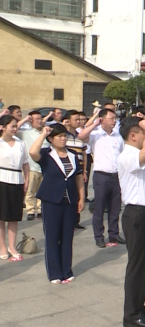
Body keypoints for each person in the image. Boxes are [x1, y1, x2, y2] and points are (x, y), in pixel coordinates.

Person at [117, 116, 145, 327]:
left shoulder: (137, 157)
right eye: (143, 133)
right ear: (133, 136)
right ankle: (131, 314)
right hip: (137, 215)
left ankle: (139, 305)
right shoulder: (128, 155)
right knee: (137, 266)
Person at [29, 124, 85, 283]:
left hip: (69, 201)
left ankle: (67, 270)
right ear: (51, 139)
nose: (62, 139)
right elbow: (32, 152)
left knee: (68, 236)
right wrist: (43, 134)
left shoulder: (73, 155)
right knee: (52, 237)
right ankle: (54, 273)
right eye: (59, 136)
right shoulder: (47, 154)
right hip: (52, 201)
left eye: (64, 136)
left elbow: (78, 178)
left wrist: (81, 197)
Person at [79, 109, 124, 248]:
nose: (114, 121)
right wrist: (95, 123)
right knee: (99, 207)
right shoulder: (95, 135)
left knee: (115, 207)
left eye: (115, 118)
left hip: (116, 176)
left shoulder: (118, 137)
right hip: (101, 176)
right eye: (111, 118)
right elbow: (81, 136)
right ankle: (99, 236)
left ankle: (114, 234)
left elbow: (122, 155)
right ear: (102, 120)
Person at [0, 115, 29, 261]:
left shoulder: (20, 143)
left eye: (16, 126)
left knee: (13, 217)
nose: (15, 129)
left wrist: (27, 179)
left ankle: (12, 246)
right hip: (1, 179)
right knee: (1, 217)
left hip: (17, 180)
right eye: (12, 126)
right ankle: (2, 246)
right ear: (3, 127)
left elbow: (25, 163)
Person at [18, 110, 45, 220]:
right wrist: (25, 119)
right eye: (36, 119)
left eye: (40, 118)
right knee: (30, 190)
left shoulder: (45, 132)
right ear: (31, 121)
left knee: (41, 190)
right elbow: (14, 131)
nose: (39, 121)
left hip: (43, 167)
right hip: (31, 166)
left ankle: (39, 209)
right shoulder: (26, 133)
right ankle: (30, 210)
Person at [63, 110, 88, 230]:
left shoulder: (80, 136)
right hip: (67, 170)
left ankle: (75, 220)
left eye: (79, 119)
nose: (78, 122)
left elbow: (84, 154)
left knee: (78, 195)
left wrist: (84, 171)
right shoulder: (63, 136)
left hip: (78, 170)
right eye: (76, 119)